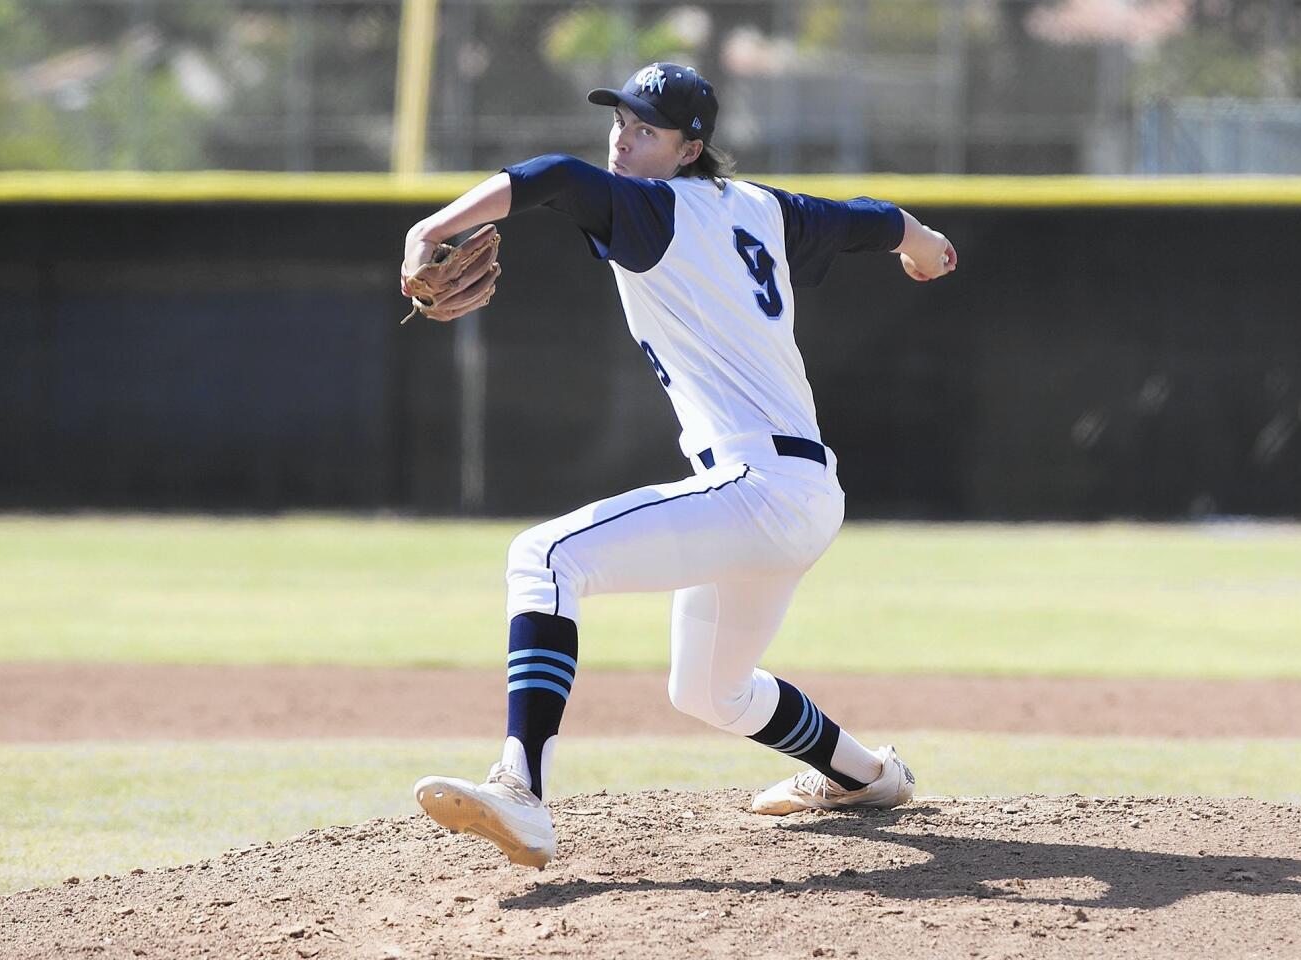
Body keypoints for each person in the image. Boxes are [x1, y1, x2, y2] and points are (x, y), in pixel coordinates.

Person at [406, 63, 957, 869]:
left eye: (646, 130)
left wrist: (426, 233)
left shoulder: (650, 208)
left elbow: (555, 178)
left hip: (755, 487)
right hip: (798, 495)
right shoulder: (764, 209)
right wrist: (927, 246)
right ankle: (867, 776)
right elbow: (867, 219)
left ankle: (521, 793)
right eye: (620, 122)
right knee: (706, 692)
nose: (624, 141)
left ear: (689, 147)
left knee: (544, 557)